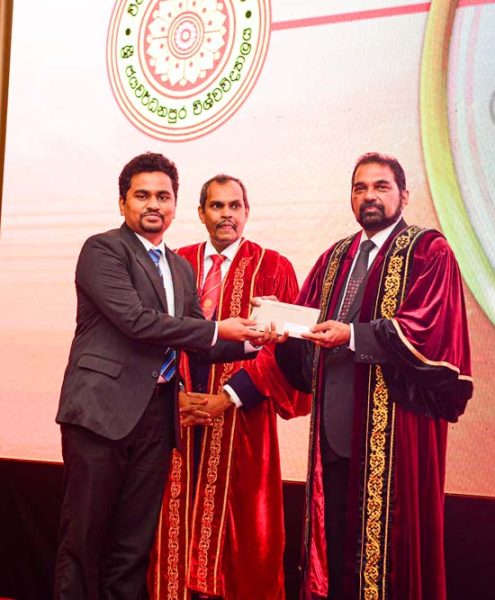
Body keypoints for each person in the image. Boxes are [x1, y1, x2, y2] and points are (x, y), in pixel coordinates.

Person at [222, 153, 473, 599]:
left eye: (381, 186)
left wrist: (354, 335)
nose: (369, 196)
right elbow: (306, 335)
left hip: (394, 441)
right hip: (334, 439)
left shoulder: (428, 251)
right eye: (360, 188)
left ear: (404, 195)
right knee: (336, 557)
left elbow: (429, 333)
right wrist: (278, 323)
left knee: (390, 562)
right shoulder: (335, 258)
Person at [54, 154, 268, 600]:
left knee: (132, 545)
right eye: (142, 195)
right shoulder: (103, 250)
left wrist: (255, 339)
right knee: (83, 540)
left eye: (163, 196)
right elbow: (136, 321)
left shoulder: (179, 267)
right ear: (123, 203)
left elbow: (199, 340)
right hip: (100, 414)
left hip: (157, 416)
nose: (154, 204)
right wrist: (218, 328)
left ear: (175, 205)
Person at [148, 174, 309, 600]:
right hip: (176, 420)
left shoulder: (274, 267)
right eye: (217, 206)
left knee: (245, 542)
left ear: (247, 212)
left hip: (243, 424)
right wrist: (173, 394)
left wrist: (230, 395)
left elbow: (288, 352)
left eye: (234, 206)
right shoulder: (173, 264)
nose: (226, 215)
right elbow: (150, 335)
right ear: (201, 213)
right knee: (170, 528)